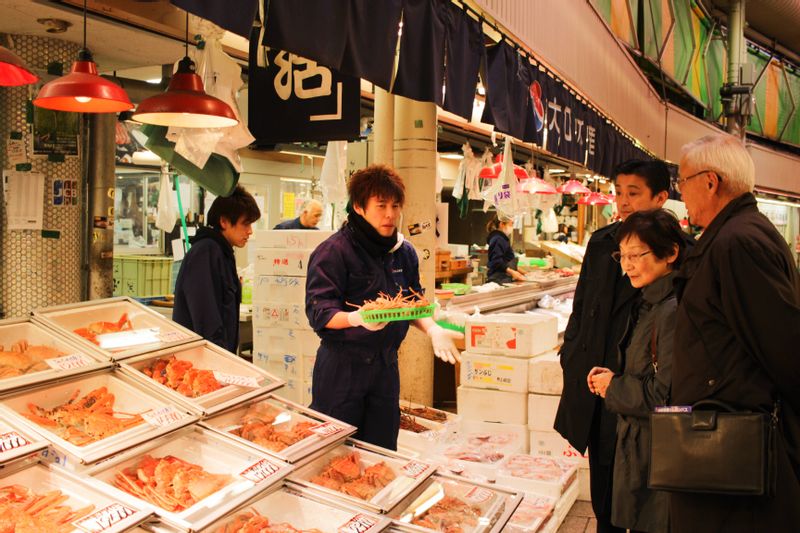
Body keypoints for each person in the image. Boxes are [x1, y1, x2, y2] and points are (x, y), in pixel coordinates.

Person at [670, 133, 800, 532]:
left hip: (733, 445)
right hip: (725, 438)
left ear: (711, 182)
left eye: (683, 180)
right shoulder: (739, 234)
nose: (681, 191)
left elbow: (784, 348)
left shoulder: (738, 242)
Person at [554, 159, 679, 533]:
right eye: (619, 192)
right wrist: (571, 356)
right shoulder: (601, 242)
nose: (623, 202)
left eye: (634, 193)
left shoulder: (674, 254)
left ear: (660, 198)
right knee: (603, 488)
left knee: (640, 494)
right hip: (596, 383)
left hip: (636, 390)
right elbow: (581, 305)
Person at [305, 164, 462, 450]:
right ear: (359, 207)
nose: (390, 214)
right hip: (343, 368)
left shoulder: (404, 252)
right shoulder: (334, 251)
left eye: (395, 205)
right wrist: (355, 319)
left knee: (382, 450)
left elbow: (413, 303)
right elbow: (319, 312)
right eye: (381, 205)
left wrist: (432, 328)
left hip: (385, 367)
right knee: (336, 452)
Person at [588, 209, 687, 533]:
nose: (626, 264)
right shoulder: (650, 302)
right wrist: (615, 378)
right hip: (642, 450)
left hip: (658, 455)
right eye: (623, 255)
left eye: (636, 255)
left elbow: (664, 395)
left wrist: (612, 387)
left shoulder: (670, 310)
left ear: (670, 253)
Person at [173, 186, 260, 353]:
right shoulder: (206, 252)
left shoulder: (222, 251)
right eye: (245, 224)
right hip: (202, 360)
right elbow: (206, 318)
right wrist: (220, 361)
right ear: (224, 221)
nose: (250, 231)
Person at [486, 214, 526, 283]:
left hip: (504, 278)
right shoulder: (498, 239)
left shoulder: (502, 239)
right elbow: (496, 262)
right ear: (502, 224)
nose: (512, 227)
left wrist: (522, 272)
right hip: (498, 279)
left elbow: (506, 261)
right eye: (511, 224)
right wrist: (512, 272)